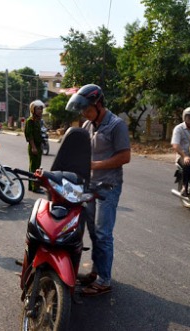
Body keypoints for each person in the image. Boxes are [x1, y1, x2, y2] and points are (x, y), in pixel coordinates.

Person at [65, 84, 131, 296]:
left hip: (108, 186)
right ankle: (96, 271)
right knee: (93, 232)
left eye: (87, 109)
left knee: (103, 234)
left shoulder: (116, 125)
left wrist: (95, 165)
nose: (84, 113)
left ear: (99, 104)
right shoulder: (88, 125)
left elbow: (125, 156)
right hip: (90, 186)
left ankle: (104, 280)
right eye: (82, 109)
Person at [171, 107, 190, 196]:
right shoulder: (179, 128)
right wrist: (185, 156)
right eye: (188, 117)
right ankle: (185, 186)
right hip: (183, 155)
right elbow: (175, 145)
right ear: (184, 117)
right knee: (188, 164)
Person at [24, 100, 45, 194]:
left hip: (38, 146)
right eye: (38, 108)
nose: (40, 110)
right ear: (33, 109)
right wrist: (33, 147)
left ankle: (31, 186)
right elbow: (29, 135)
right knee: (34, 167)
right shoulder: (30, 121)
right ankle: (35, 187)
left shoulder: (38, 121)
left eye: (41, 108)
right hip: (34, 146)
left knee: (35, 166)